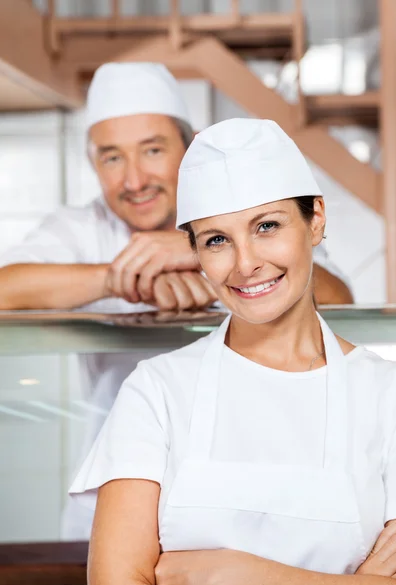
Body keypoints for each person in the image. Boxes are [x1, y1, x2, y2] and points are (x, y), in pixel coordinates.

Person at [70, 118, 396, 585]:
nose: (245, 263)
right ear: (196, 253)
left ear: (316, 220)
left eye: (267, 227)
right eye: (217, 240)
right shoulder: (156, 390)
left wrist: (232, 576)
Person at [0, 63, 352, 540]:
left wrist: (201, 263)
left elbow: (339, 299)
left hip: (247, 494)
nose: (134, 179)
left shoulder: (242, 209)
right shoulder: (84, 228)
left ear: (188, 149)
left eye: (152, 150)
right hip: (113, 500)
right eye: (111, 158)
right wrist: (121, 276)